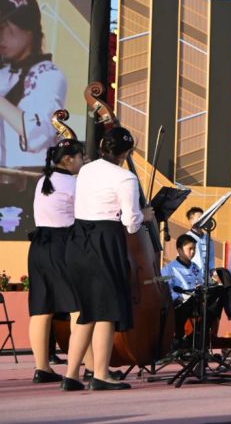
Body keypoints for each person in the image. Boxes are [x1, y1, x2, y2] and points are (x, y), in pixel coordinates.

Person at [61, 127, 155, 391]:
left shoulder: (86, 170)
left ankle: (71, 375)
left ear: (103, 145)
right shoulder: (126, 178)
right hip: (105, 241)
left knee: (87, 312)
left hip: (78, 240)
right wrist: (145, 216)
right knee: (107, 311)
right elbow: (131, 222)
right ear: (125, 154)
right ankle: (101, 374)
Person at [27, 138, 84, 384]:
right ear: (69, 159)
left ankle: (42, 368)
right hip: (63, 244)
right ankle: (86, 367)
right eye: (81, 157)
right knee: (80, 308)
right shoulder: (74, 183)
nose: (83, 161)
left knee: (41, 309)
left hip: (39, 244)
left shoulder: (43, 180)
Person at [0, 0, 68, 167]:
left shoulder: (49, 76)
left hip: (31, 179)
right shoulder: (3, 74)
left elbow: (36, 135)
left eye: (3, 27)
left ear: (28, 29)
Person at [161, 234, 203, 342]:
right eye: (190, 249)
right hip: (179, 305)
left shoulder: (195, 267)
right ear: (179, 250)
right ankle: (180, 338)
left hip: (195, 302)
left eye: (194, 249)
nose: (193, 252)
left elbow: (200, 282)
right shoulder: (170, 268)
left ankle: (199, 338)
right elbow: (165, 289)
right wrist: (177, 297)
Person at [185, 206, 210, 276]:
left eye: (203, 217)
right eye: (199, 217)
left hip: (207, 276)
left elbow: (211, 260)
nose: (202, 220)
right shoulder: (186, 237)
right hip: (193, 275)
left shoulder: (209, 238)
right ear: (191, 220)